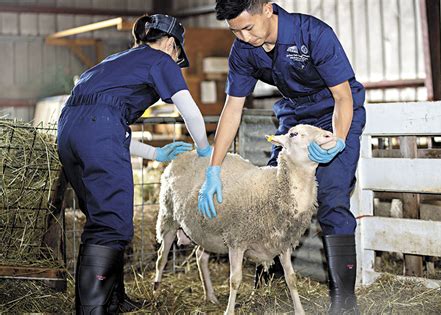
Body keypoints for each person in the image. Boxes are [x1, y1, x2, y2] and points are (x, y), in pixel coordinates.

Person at [197, 1, 365, 314]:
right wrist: (213, 170)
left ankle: (344, 300)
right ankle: (273, 276)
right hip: (295, 117)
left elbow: (343, 96)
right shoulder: (244, 50)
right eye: (236, 32)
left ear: (267, 8)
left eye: (248, 27)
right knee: (275, 193)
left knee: (331, 197)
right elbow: (233, 109)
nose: (245, 37)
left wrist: (338, 140)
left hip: (335, 113)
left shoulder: (313, 34)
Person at [57, 13, 212, 313]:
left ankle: (114, 299)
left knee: (100, 217)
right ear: (170, 43)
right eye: (178, 51)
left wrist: (156, 154)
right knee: (111, 223)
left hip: (68, 130)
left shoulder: (115, 62)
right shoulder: (162, 60)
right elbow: (191, 113)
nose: (176, 58)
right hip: (99, 130)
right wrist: (205, 152)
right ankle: (93, 309)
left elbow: (102, 123)